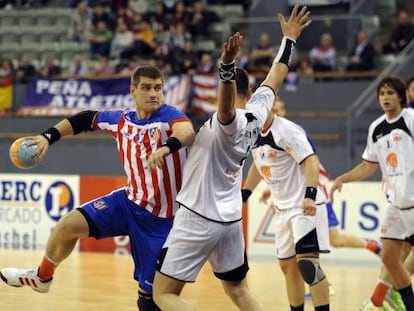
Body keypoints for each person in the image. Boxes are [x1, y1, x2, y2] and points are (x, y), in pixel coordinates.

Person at [152, 4, 312, 311]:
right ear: (251, 90)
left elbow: (225, 109)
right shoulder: (258, 111)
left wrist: (225, 65)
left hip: (198, 216)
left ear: (219, 90)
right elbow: (278, 72)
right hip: (230, 220)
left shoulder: (232, 120)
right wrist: (289, 39)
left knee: (163, 293)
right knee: (238, 290)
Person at [0, 65, 196, 311]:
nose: (154, 94)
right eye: (146, 88)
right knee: (67, 225)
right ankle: (42, 276)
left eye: (158, 88)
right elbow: (84, 119)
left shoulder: (169, 116)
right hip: (128, 202)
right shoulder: (121, 120)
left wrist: (167, 148)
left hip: (164, 220)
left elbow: (187, 131)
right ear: (133, 90)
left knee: (150, 299)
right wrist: (47, 137)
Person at [330, 76, 414, 311]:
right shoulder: (376, 128)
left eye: (390, 93)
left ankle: (386, 298)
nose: (385, 98)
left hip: (413, 202)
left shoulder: (410, 119)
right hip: (395, 205)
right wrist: (342, 179)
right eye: (382, 94)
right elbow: (369, 165)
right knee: (389, 257)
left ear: (400, 96)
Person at [242, 94, 331, 310]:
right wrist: (245, 194)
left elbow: (311, 159)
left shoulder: (287, 130)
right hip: (281, 209)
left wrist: (310, 194)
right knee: (288, 267)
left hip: (303, 206)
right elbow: (257, 163)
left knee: (308, 265)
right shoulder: (253, 132)